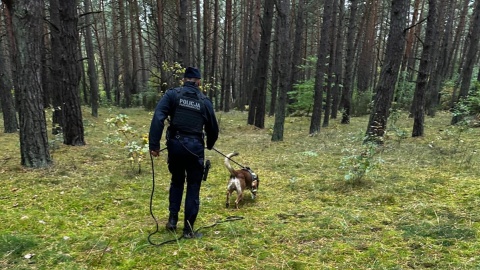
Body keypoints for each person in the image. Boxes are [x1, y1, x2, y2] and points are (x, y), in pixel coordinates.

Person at [149, 67, 219, 239]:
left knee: (177, 181)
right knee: (193, 186)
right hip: (195, 148)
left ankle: (172, 220)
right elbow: (213, 128)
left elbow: (158, 116)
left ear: (184, 79)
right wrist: (209, 145)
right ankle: (188, 229)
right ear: (199, 82)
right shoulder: (204, 101)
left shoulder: (173, 95)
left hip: (175, 146)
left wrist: (154, 145)